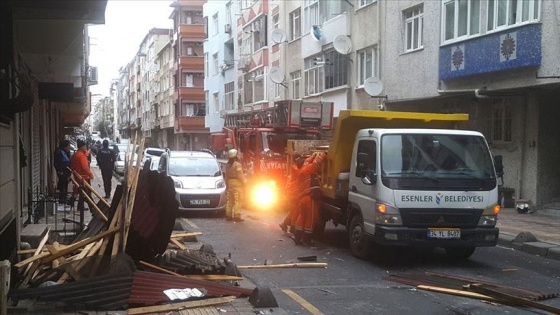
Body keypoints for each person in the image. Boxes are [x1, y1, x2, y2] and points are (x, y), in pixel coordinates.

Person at [292, 151, 327, 246]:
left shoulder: (300, 170)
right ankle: (306, 239)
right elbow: (316, 164)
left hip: (303, 198)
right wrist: (322, 154)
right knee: (311, 218)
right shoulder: (308, 169)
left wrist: (312, 156)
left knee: (302, 217)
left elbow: (308, 161)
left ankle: (297, 237)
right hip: (309, 197)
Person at [279, 154, 302, 234]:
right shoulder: (295, 168)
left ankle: (284, 224)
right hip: (294, 193)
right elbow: (302, 172)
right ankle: (292, 228)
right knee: (296, 210)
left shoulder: (295, 166)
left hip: (293, 192)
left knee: (294, 210)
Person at [70, 139, 94, 212]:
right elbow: (85, 167)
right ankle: (93, 208)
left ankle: (80, 207)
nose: (86, 148)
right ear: (81, 147)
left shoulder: (75, 155)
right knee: (87, 194)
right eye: (85, 147)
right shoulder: (81, 156)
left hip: (77, 177)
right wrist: (91, 174)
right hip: (84, 178)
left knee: (81, 192)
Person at [225, 149, 247, 222]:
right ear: (235, 156)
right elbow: (240, 175)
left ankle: (228, 215)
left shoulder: (227, 165)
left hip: (230, 183)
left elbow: (226, 176)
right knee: (238, 200)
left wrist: (227, 185)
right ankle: (237, 216)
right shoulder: (237, 164)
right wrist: (245, 182)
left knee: (230, 201)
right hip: (237, 184)